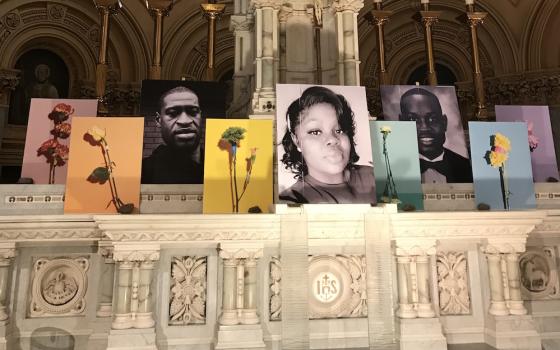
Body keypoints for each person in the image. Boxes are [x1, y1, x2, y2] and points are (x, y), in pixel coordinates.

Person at [279, 86, 375, 204]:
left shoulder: (374, 177)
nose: (333, 139)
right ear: (296, 141)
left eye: (339, 130)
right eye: (315, 132)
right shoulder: (292, 200)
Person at [398, 87, 472, 183]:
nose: (424, 127)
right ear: (401, 123)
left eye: (432, 119)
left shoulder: (465, 165)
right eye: (413, 119)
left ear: (444, 122)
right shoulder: (393, 167)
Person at [141, 86, 204, 184]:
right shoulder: (143, 171)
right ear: (158, 120)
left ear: (201, 116)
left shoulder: (223, 167)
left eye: (193, 112)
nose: (185, 121)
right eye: (172, 113)